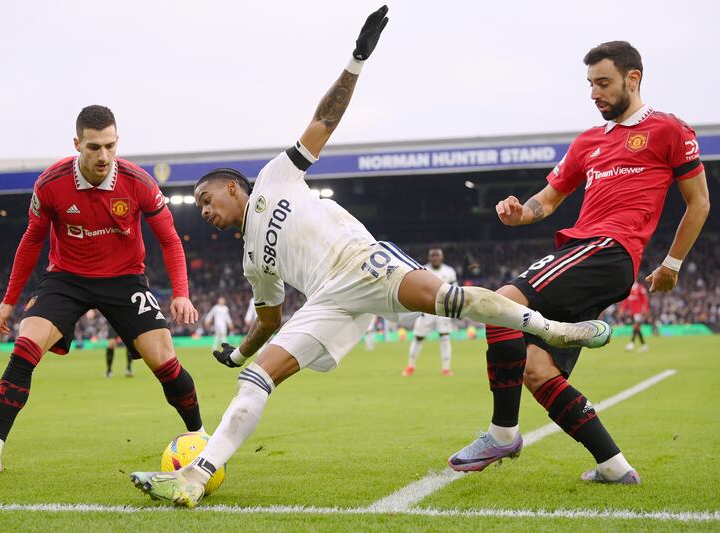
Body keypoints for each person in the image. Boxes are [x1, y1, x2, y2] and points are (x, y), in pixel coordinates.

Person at [130, 6, 611, 507]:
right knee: (256, 379)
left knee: (445, 298)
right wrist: (238, 354)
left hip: (359, 260)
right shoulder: (252, 259)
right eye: (201, 207)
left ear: (233, 188)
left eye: (208, 200)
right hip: (326, 301)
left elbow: (324, 120)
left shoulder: (275, 177)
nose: (205, 211)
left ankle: (550, 329)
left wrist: (357, 60)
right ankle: (196, 475)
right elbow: (269, 318)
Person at [448, 41, 709, 484]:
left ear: (633, 79)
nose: (594, 93)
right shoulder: (588, 142)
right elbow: (548, 200)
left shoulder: (668, 130)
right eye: (590, 84)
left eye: (603, 83)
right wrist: (520, 212)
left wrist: (672, 264)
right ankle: (614, 466)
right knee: (536, 370)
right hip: (584, 255)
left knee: (499, 303)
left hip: (609, 250)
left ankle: (503, 433)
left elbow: (698, 203)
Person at [0, 105, 202, 477]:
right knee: (25, 346)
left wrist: (180, 292)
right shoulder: (51, 183)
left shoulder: (139, 182)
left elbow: (169, 239)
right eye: (93, 147)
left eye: (110, 145)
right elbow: (31, 241)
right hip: (67, 278)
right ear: (77, 144)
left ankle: (203, 442)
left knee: (164, 361)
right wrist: (9, 301)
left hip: (125, 279)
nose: (103, 156)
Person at [402, 248, 458, 377]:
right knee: (418, 338)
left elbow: (454, 290)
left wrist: (453, 309)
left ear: (441, 257)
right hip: (426, 311)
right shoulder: (423, 270)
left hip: (443, 311)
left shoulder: (449, 271)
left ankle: (446, 368)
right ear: (429, 257)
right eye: (433, 255)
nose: (435, 258)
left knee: (445, 338)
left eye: (437, 255)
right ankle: (410, 366)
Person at [620, 281, 650, 352]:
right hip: (632, 313)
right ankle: (644, 345)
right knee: (637, 329)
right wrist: (622, 309)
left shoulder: (640, 288)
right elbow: (626, 301)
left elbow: (645, 299)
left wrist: (645, 309)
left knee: (636, 327)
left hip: (638, 312)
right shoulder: (629, 289)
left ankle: (631, 343)